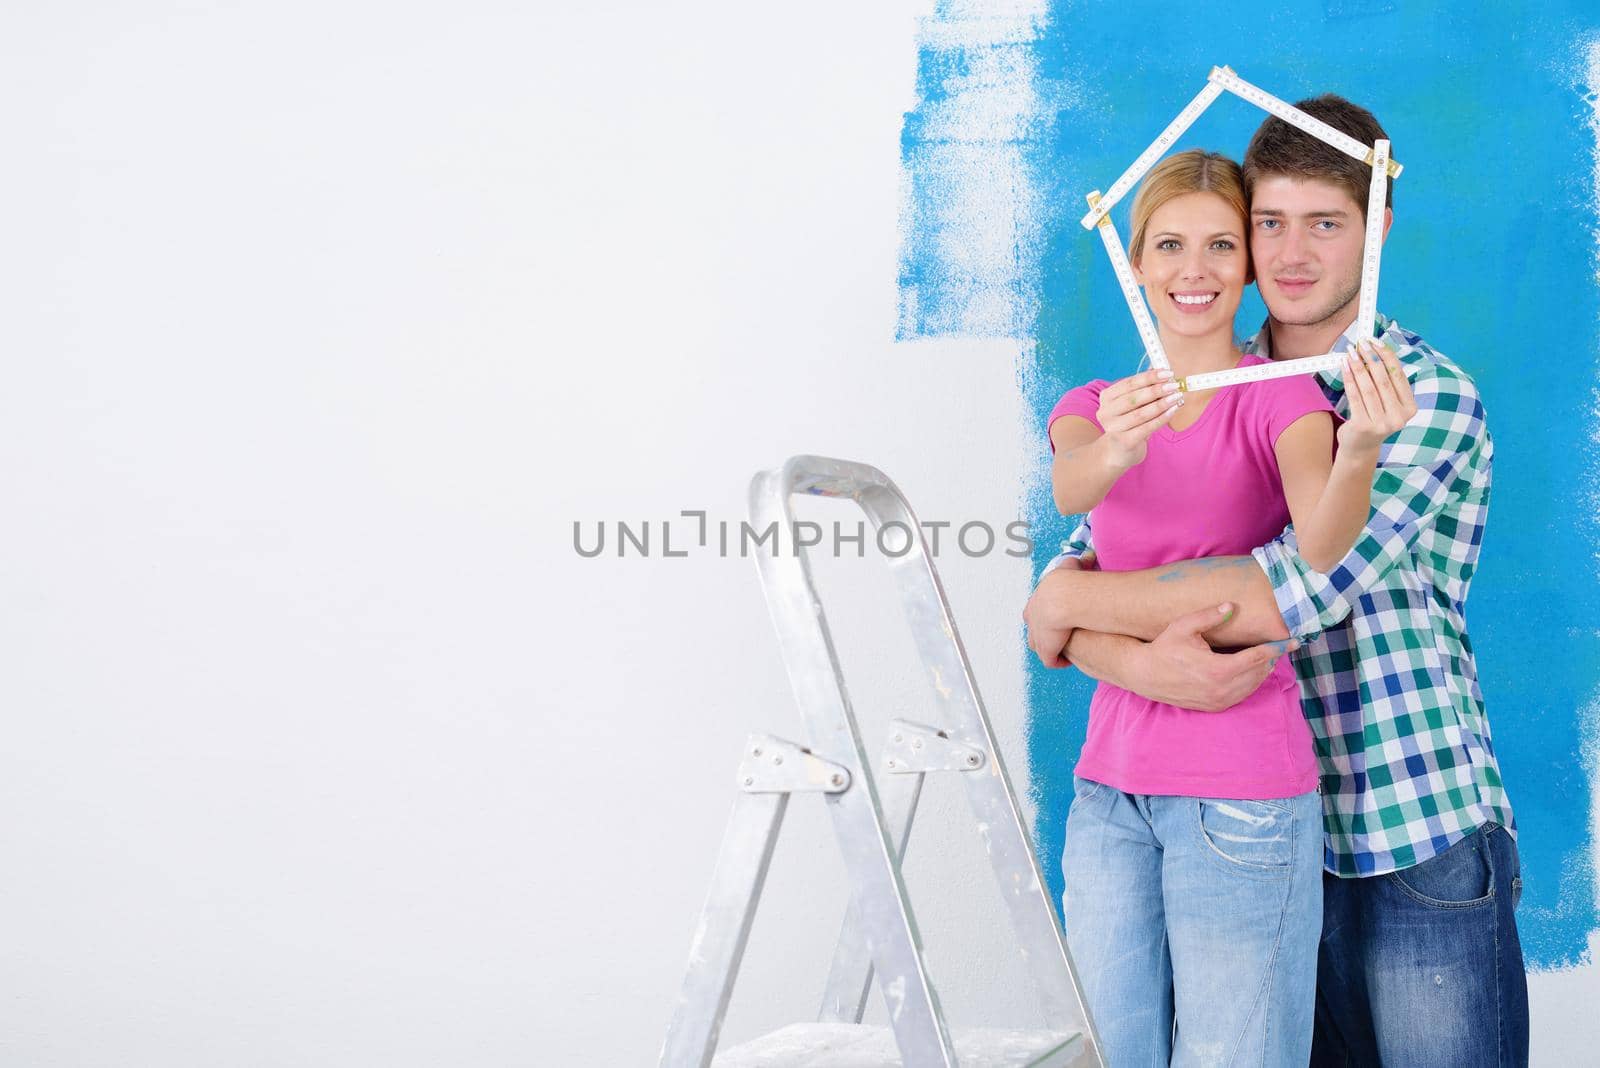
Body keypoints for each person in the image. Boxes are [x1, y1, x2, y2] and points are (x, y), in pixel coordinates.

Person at [1025, 97, 1528, 1067]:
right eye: (1269, 224)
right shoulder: (1204, 386)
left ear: (1375, 229)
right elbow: (1089, 547)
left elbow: (1284, 587)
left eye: (1326, 223)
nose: (1293, 254)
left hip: (1404, 828)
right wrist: (1091, 635)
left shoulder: (1424, 395)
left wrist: (1063, 611)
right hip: (1238, 823)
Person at [1045, 147, 1412, 1067]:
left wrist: (1360, 445)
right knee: (1109, 1051)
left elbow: (1322, 545)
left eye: (1219, 246)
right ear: (1135, 265)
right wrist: (1119, 453)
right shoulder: (1094, 405)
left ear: (1246, 266)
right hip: (1109, 792)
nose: (1194, 271)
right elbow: (1069, 485)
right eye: (1169, 245)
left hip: (1241, 790)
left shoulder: (1283, 398)